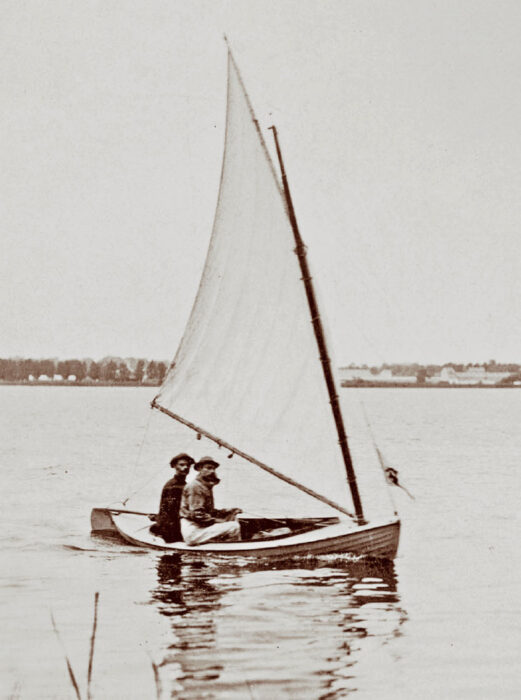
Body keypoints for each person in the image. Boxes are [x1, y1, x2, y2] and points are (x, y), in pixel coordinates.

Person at [179, 456, 242, 545]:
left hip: (199, 527)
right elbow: (198, 515)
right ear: (200, 469)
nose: (212, 471)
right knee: (234, 526)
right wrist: (219, 521)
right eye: (208, 468)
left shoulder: (205, 486)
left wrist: (228, 511)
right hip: (193, 531)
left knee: (232, 517)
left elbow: (209, 511)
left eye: (213, 469)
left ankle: (225, 544)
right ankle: (233, 549)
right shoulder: (195, 486)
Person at [150, 453, 194, 542]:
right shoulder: (172, 486)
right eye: (181, 465)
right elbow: (171, 512)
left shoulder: (184, 485)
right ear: (174, 466)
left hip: (176, 523)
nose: (186, 467)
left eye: (188, 465)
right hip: (171, 529)